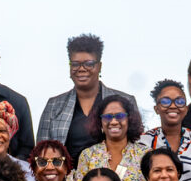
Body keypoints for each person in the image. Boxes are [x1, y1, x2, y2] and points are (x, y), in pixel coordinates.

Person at [36, 33, 139, 161]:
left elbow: (137, 150)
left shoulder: (126, 101)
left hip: (116, 178)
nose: (81, 69)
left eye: (89, 64)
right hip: (67, 179)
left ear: (99, 67)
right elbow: (40, 153)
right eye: (75, 64)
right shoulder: (54, 105)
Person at [69, 94, 150, 181]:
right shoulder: (88, 155)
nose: (114, 122)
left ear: (129, 120)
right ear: (100, 122)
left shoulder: (145, 154)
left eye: (120, 116)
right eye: (107, 117)